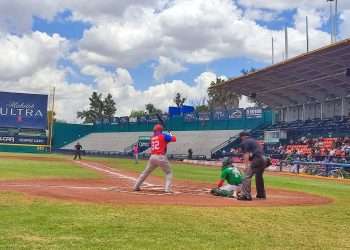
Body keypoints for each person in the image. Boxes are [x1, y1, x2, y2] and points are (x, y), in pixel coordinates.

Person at [133, 124, 176, 193]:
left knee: (145, 172)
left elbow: (164, 142)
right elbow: (174, 139)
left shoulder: (153, 137)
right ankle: (167, 189)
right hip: (161, 157)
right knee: (169, 172)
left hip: (152, 157)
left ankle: (136, 186)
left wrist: (168, 136)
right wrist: (171, 134)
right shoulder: (164, 135)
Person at [237, 132, 267, 201]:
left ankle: (246, 195)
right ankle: (261, 195)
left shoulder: (245, 142)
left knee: (246, 176)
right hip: (264, 159)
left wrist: (246, 166)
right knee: (259, 177)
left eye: (241, 137)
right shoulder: (254, 141)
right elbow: (253, 154)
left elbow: (246, 154)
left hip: (258, 159)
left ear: (243, 137)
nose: (241, 139)